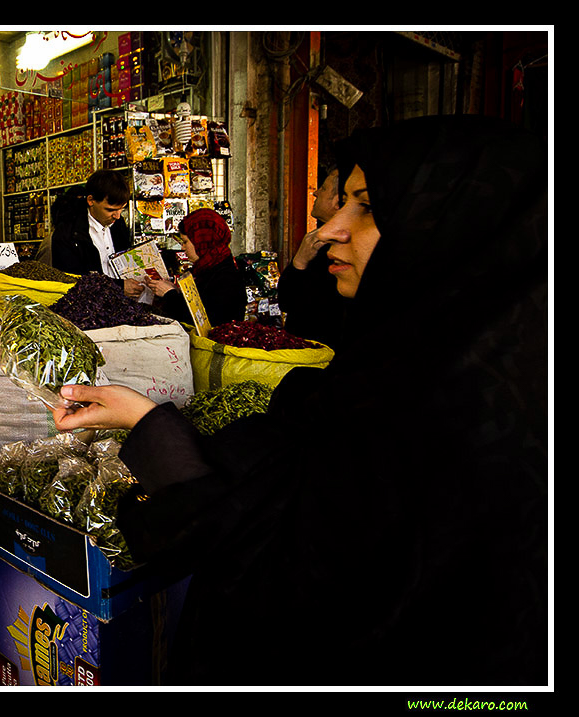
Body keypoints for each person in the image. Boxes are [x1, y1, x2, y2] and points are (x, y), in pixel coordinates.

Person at [47, 115, 548, 687]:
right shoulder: (410, 360)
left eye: (366, 206)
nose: (331, 227)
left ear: (453, 226)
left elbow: (285, 569)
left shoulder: (448, 413)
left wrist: (149, 425)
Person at [39, 169, 144, 298]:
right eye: (110, 210)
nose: (117, 216)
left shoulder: (119, 224)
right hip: (90, 310)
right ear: (91, 200)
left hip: (121, 305)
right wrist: (118, 287)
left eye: (121, 209)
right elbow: (72, 282)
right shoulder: (67, 235)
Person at [277, 166, 350, 346]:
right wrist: (299, 261)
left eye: (323, 188)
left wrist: (300, 261)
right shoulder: (315, 242)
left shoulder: (343, 249)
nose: (316, 193)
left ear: (338, 201)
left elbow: (296, 303)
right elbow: (286, 301)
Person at [144, 208, 248, 326]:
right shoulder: (207, 269)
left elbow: (204, 322)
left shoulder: (227, 278)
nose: (183, 247)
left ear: (202, 241)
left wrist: (170, 294)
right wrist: (175, 290)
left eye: (185, 242)